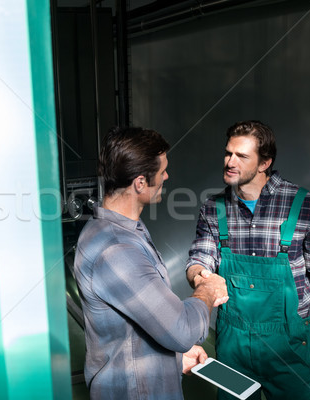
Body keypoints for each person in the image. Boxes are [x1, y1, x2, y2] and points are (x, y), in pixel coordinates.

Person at [186, 121, 310, 400]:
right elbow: (199, 259)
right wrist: (201, 277)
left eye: (241, 156)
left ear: (264, 163)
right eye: (228, 153)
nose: (230, 162)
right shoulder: (213, 208)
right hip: (231, 350)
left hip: (289, 350)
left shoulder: (307, 207)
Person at [74, 126, 228, 399]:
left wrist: (171, 359)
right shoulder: (117, 251)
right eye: (162, 171)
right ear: (140, 183)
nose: (167, 176)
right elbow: (181, 330)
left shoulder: (121, 230)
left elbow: (132, 324)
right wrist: (207, 291)